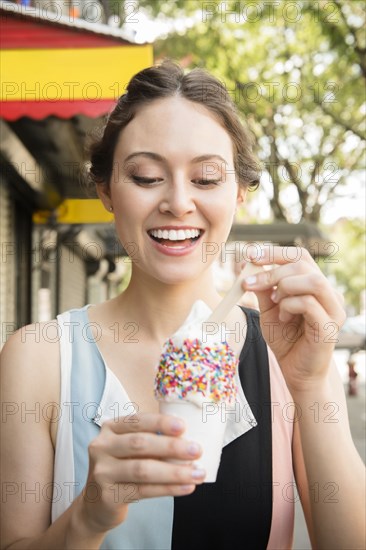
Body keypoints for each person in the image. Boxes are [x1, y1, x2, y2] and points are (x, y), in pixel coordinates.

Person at [1, 61, 365, 550]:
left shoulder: (285, 355)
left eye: (207, 178)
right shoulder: (39, 356)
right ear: (107, 190)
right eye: (147, 176)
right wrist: (85, 520)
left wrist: (313, 382)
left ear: (240, 194)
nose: (177, 201)